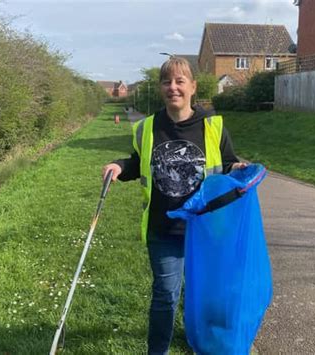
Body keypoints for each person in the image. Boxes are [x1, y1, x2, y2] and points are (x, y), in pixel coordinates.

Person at [102, 57, 246, 355]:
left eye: (180, 81)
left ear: (193, 87)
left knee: (205, 295)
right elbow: (137, 162)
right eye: (167, 81)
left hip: (206, 230)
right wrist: (119, 166)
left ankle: (206, 345)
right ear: (160, 88)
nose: (173, 87)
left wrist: (240, 168)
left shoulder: (213, 126)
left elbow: (229, 164)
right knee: (166, 294)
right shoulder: (148, 128)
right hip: (164, 228)